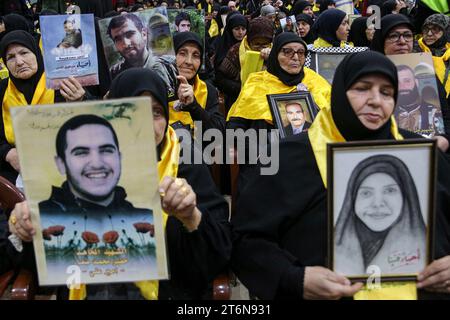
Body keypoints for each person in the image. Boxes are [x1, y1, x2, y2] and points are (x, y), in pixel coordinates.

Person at [231, 51, 450, 299]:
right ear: (339, 91)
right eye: (362, 88)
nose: (376, 100)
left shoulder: (421, 155)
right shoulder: (287, 158)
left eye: (387, 92)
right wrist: (294, 278)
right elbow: (245, 242)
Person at [7, 68, 231, 300]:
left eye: (155, 112)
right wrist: (23, 231)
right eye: (131, 110)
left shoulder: (184, 164)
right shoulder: (78, 173)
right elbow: (41, 264)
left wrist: (191, 217)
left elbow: (219, 253)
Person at [227, 33, 330, 198]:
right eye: (288, 52)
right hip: (266, 160)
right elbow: (235, 127)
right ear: (276, 55)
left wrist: (312, 106)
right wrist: (256, 152)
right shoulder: (257, 82)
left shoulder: (315, 82)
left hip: (309, 161)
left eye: (300, 53)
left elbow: (333, 121)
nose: (295, 57)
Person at [0, 31, 87, 184]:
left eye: (24, 53)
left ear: (37, 53)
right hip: (18, 174)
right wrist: (8, 153)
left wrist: (79, 101)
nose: (19, 62)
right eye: (10, 57)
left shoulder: (62, 82)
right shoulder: (2, 90)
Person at [334, 154, 426, 276]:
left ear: (406, 196)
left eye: (390, 191)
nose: (377, 204)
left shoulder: (429, 248)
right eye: (366, 193)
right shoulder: (329, 248)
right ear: (352, 200)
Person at [371, 14, 450, 153]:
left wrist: (444, 139)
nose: (402, 41)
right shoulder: (368, 73)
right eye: (393, 36)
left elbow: (445, 114)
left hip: (428, 152)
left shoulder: (424, 71)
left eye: (407, 35)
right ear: (381, 40)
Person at [106, 13, 177, 99]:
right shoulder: (114, 74)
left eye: (129, 34)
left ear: (144, 34)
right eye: (118, 39)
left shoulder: (169, 65)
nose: (126, 44)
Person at [170, 31, 225, 134]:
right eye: (182, 53)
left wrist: (194, 106)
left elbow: (218, 132)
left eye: (196, 55)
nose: (189, 62)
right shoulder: (157, 87)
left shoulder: (208, 90)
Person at [395, 64, 439, 137]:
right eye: (398, 82)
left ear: (416, 82)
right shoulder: (387, 114)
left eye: (407, 81)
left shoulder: (434, 112)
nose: (402, 86)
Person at [415, 14, 450, 97]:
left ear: (446, 32)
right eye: (426, 29)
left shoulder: (448, 54)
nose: (429, 33)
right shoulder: (413, 51)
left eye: (436, 29)